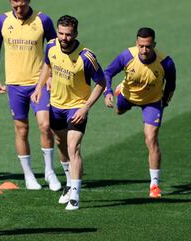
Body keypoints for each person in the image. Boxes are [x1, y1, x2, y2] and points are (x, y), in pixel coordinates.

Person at [31, 15, 106, 210]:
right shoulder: (51, 46)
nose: (64, 38)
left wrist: (85, 107)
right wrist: (39, 87)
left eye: (68, 34)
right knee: (60, 144)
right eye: (61, 33)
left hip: (77, 107)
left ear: (76, 34)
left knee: (73, 148)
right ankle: (69, 183)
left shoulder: (86, 57)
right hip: (56, 105)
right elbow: (47, 64)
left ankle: (75, 195)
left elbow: (101, 82)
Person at [0, 0, 61, 191]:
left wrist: (52, 75)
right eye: (15, 6)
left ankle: (49, 171)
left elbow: (55, 47)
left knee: (45, 125)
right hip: (15, 86)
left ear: (29, 1)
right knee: (21, 130)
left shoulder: (43, 20)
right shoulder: (1, 21)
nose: (18, 10)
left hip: (39, 83)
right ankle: (29, 175)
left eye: (21, 5)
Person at [104, 27, 176, 199]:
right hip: (128, 96)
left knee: (151, 138)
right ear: (137, 43)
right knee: (119, 111)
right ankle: (121, 91)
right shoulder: (127, 56)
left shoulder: (165, 62)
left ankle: (154, 185)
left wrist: (164, 103)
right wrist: (107, 91)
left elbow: (171, 85)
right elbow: (107, 72)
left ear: (154, 45)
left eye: (148, 46)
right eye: (141, 46)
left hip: (152, 102)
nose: (144, 50)